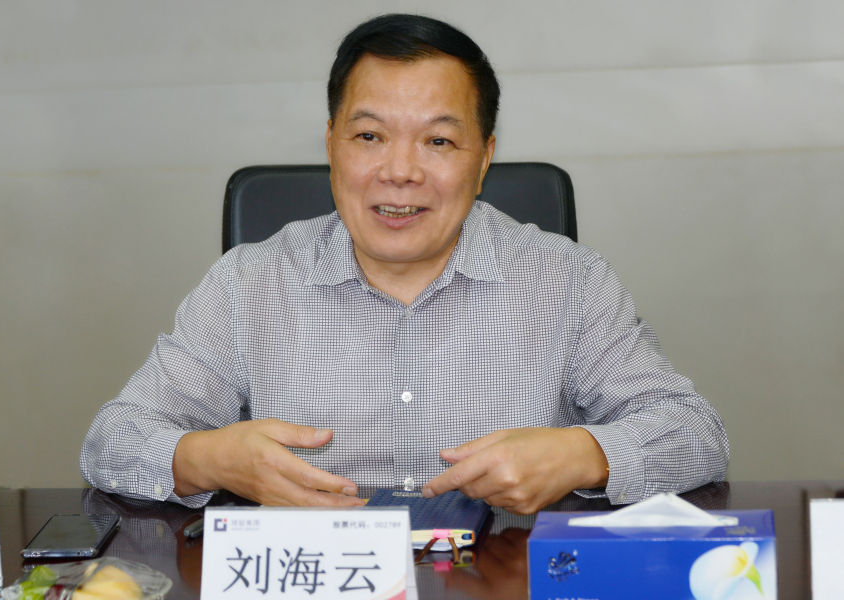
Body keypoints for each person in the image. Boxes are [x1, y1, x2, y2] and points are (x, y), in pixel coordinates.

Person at [81, 14, 729, 515]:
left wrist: (584, 453)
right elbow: (113, 441)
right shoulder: (249, 282)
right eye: (369, 136)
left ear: (484, 159)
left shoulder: (568, 281)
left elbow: (696, 436)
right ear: (332, 144)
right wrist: (207, 459)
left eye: (438, 141)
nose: (400, 172)